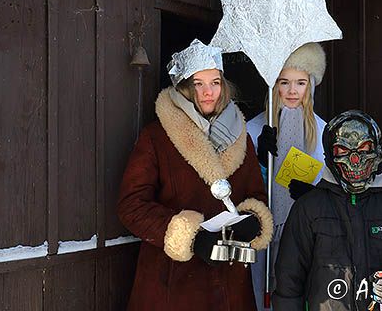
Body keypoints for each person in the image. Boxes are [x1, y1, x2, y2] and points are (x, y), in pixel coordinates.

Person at [117, 39, 274, 311]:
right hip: (173, 285)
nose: (208, 92)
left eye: (215, 82)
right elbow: (131, 206)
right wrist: (190, 236)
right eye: (198, 84)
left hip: (229, 285)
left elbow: (256, 195)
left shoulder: (241, 137)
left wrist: (253, 219)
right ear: (185, 88)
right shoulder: (157, 137)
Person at [274, 110, 382, 311]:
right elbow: (288, 280)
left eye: (364, 149)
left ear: (377, 152)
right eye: (343, 151)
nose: (355, 160)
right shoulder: (308, 208)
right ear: (330, 155)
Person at [246, 42, 327, 310]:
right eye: (284, 82)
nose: (292, 91)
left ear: (310, 86)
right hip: (264, 232)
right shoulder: (253, 128)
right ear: (274, 85)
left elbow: (335, 188)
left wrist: (314, 195)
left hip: (308, 234)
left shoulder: (324, 132)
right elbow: (239, 186)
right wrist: (259, 162)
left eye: (300, 83)